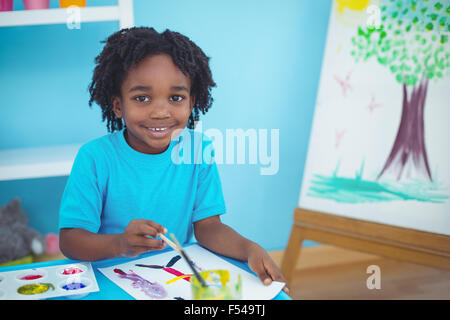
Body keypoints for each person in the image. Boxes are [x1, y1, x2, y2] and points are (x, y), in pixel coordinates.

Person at [59, 27, 288, 294]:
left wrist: (250, 248)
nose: (160, 112)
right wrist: (121, 244)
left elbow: (209, 227)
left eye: (175, 98)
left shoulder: (198, 149)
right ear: (118, 105)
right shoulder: (95, 157)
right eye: (142, 98)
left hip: (170, 281)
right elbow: (70, 240)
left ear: (191, 103)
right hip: (105, 283)